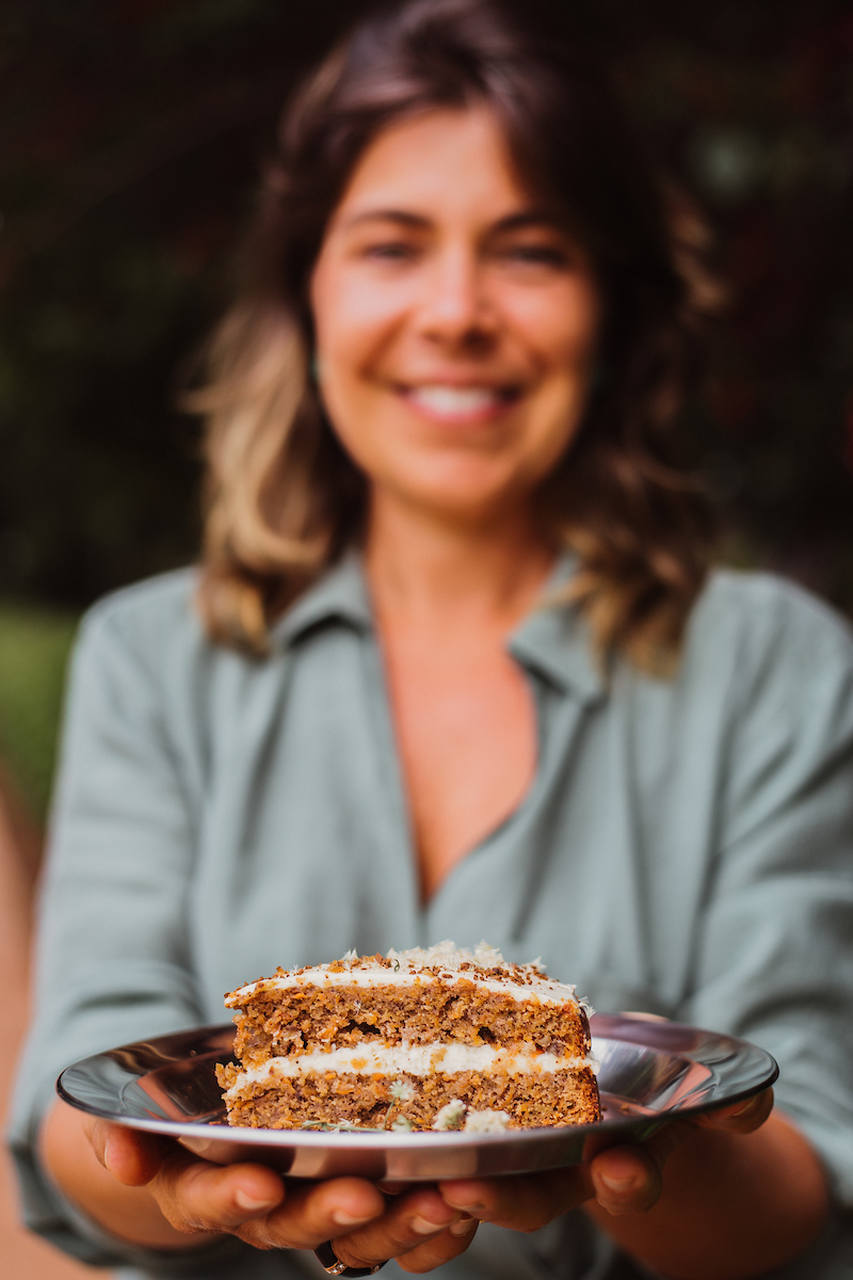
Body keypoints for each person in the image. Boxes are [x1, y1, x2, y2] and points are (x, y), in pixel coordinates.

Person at [8, 1, 853, 1277]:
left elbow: (807, 1173)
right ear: (307, 289)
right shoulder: (153, 658)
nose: (455, 311)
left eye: (528, 252)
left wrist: (628, 1145)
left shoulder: (775, 667)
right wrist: (198, 1179)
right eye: (392, 246)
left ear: (613, 308)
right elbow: (82, 1120)